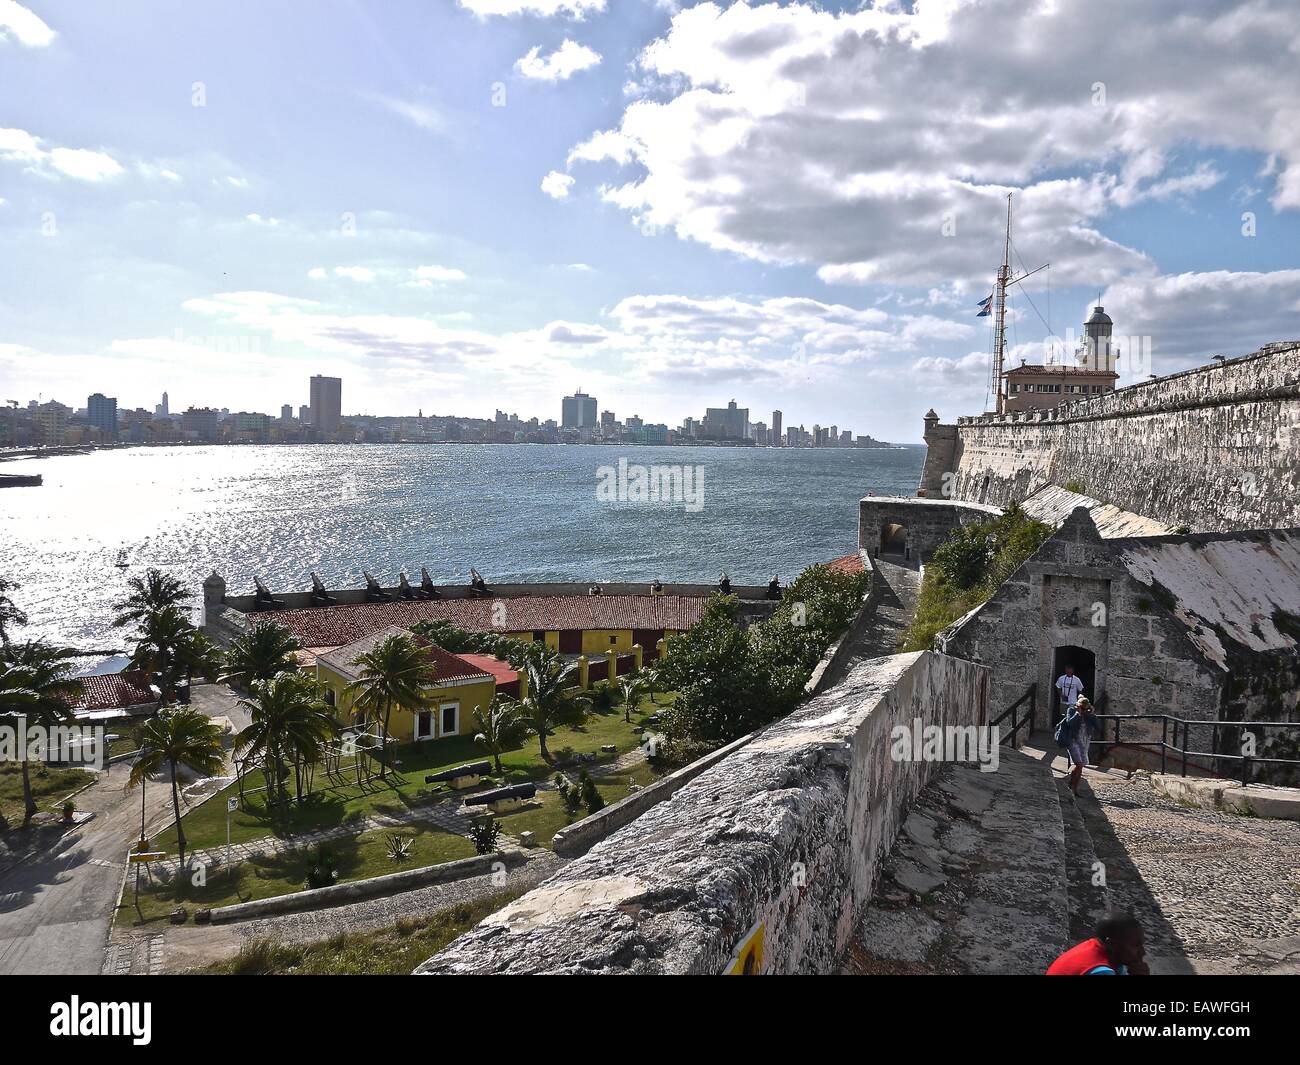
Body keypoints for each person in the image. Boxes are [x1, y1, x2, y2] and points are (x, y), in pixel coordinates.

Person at [1047, 912, 1149, 975]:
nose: (1142, 952)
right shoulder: (1100, 971)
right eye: (1136, 946)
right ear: (1112, 944)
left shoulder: (1098, 948)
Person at [1060, 696, 1100, 795]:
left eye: (1084, 708)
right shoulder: (1072, 710)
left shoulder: (1089, 714)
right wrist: (1078, 713)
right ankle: (1071, 785)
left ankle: (1074, 788)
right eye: (1081, 708)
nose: (1083, 710)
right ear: (1078, 706)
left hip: (1085, 742)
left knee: (1080, 766)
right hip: (1073, 741)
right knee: (1079, 764)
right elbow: (1070, 723)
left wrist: (1092, 714)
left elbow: (1098, 726)